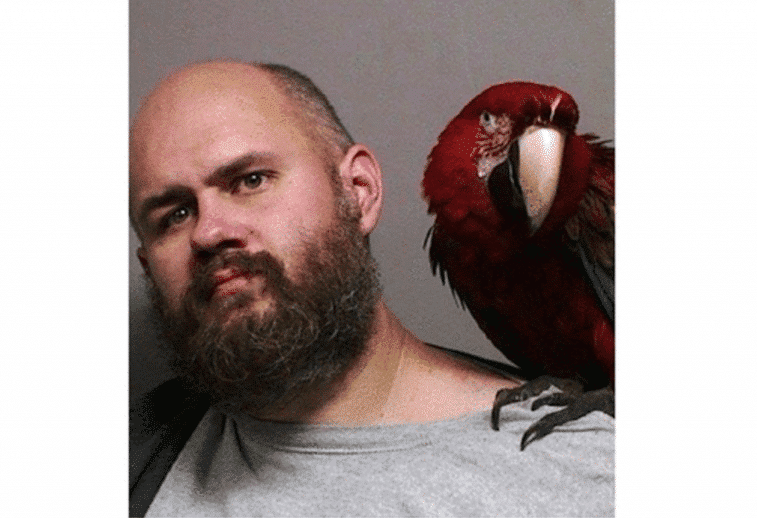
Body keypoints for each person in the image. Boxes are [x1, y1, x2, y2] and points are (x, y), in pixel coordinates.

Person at [129, 60, 614, 517]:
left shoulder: (592, 466)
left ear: (359, 191)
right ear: (148, 267)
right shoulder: (138, 455)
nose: (209, 233)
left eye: (251, 180)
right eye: (174, 215)